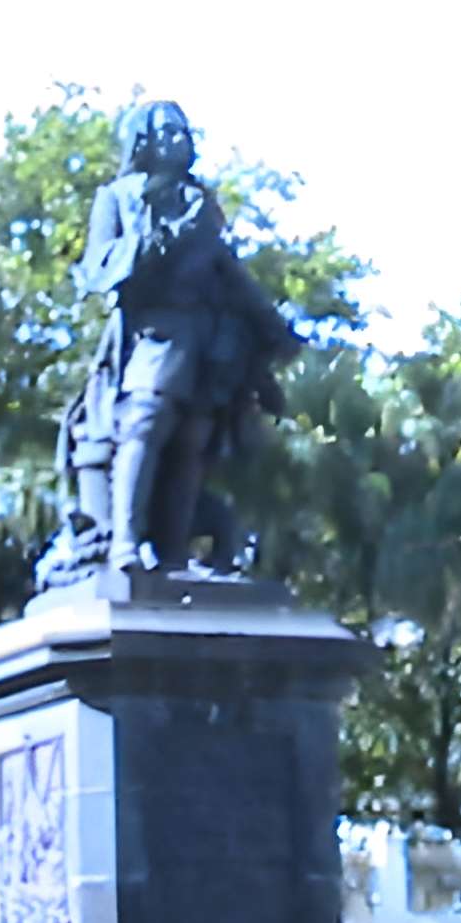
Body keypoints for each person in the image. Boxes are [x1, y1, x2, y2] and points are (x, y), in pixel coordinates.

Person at [50, 100, 298, 580]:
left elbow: (227, 269)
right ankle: (123, 543)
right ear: (144, 140)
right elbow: (98, 268)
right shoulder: (118, 197)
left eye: (185, 130)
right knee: (145, 417)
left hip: (208, 339)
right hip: (155, 331)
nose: (179, 139)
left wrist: (271, 324)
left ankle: (171, 554)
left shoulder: (200, 203)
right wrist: (156, 239)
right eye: (167, 131)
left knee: (192, 438)